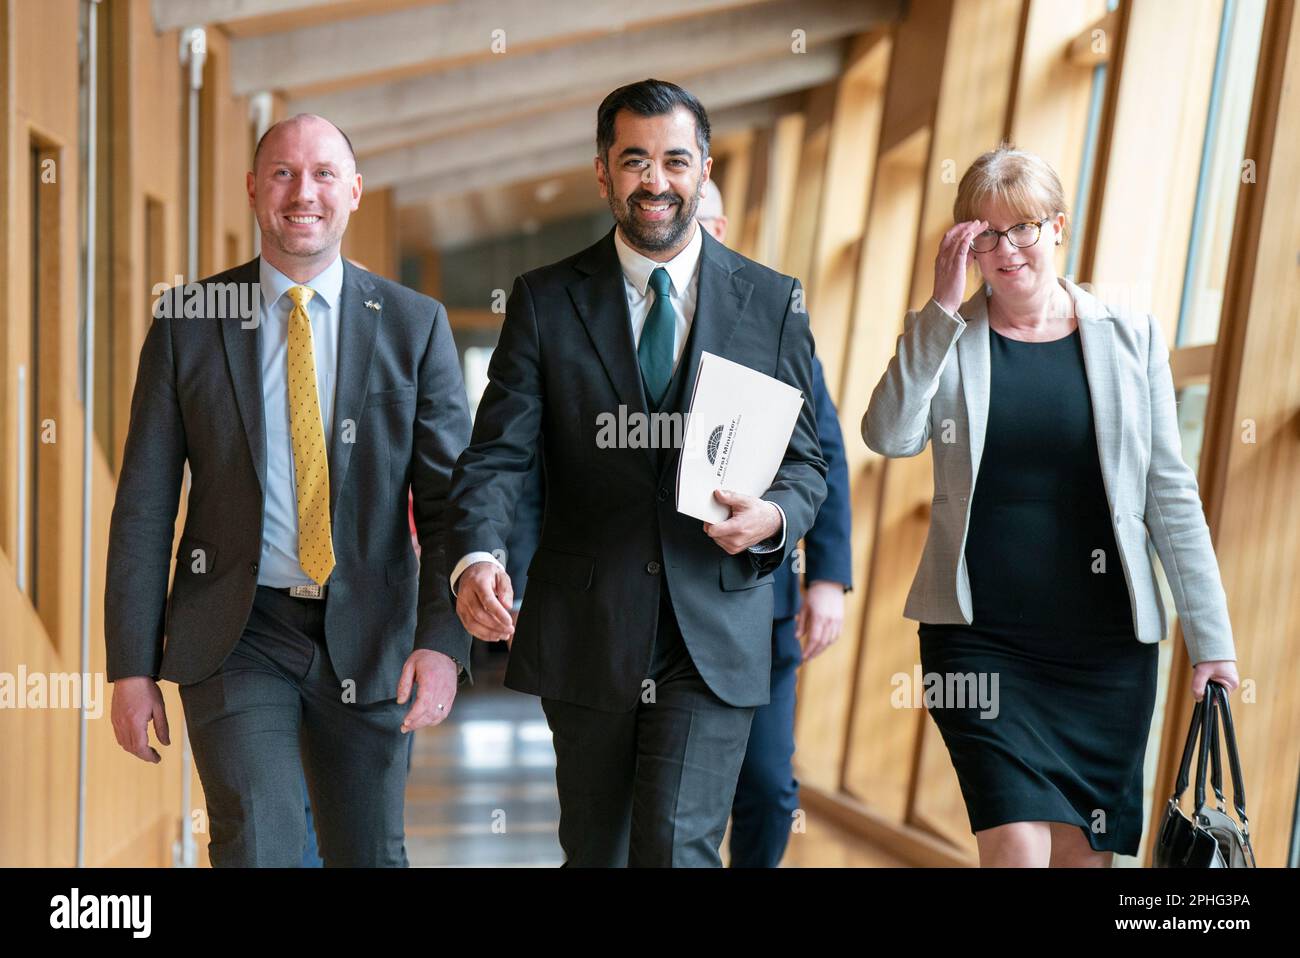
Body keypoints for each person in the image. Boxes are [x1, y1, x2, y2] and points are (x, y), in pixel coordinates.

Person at [448, 79, 827, 867]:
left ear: (703, 168)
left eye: (674, 161)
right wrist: (478, 555)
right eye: (634, 161)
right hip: (590, 628)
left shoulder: (771, 301)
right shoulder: (546, 301)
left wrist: (777, 516)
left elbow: (806, 459)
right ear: (602, 173)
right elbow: (499, 454)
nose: (655, 181)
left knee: (676, 848)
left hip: (713, 627)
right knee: (597, 850)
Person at [105, 113, 473, 867]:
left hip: (374, 638)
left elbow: (447, 507)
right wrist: (131, 666)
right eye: (282, 173)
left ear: (355, 192)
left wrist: (442, 643)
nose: (302, 192)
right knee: (258, 843)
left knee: (369, 852)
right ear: (252, 189)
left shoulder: (414, 325)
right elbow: (144, 504)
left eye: (323, 175)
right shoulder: (189, 322)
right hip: (239, 632)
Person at [861, 143, 1239, 867]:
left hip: (1103, 653)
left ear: (1057, 227)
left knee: (1079, 858)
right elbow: (889, 434)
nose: (1008, 250)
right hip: (979, 638)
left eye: (1023, 228)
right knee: (1014, 846)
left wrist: (1211, 638)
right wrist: (939, 310)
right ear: (965, 244)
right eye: (986, 234)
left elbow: (1170, 494)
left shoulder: (1132, 339)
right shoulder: (951, 338)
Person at [695, 181, 854, 868]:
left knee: (765, 785)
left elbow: (824, 455)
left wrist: (827, 579)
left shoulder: (771, 319)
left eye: (691, 215)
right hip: (652, 607)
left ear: (721, 226)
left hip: (758, 604)